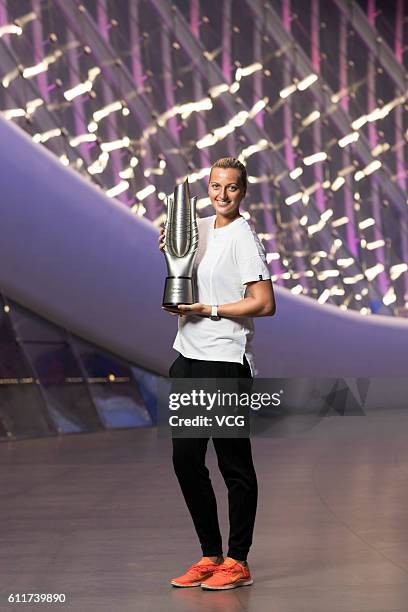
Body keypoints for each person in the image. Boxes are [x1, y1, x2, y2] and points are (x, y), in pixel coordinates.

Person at [159, 156, 276, 590]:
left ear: (242, 191)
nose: (221, 195)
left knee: (233, 465)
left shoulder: (245, 237)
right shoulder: (198, 228)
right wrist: (173, 261)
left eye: (230, 188)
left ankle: (238, 560)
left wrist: (209, 309)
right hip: (187, 358)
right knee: (186, 461)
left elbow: (264, 303)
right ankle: (210, 555)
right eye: (214, 186)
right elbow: (185, 278)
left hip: (226, 361)